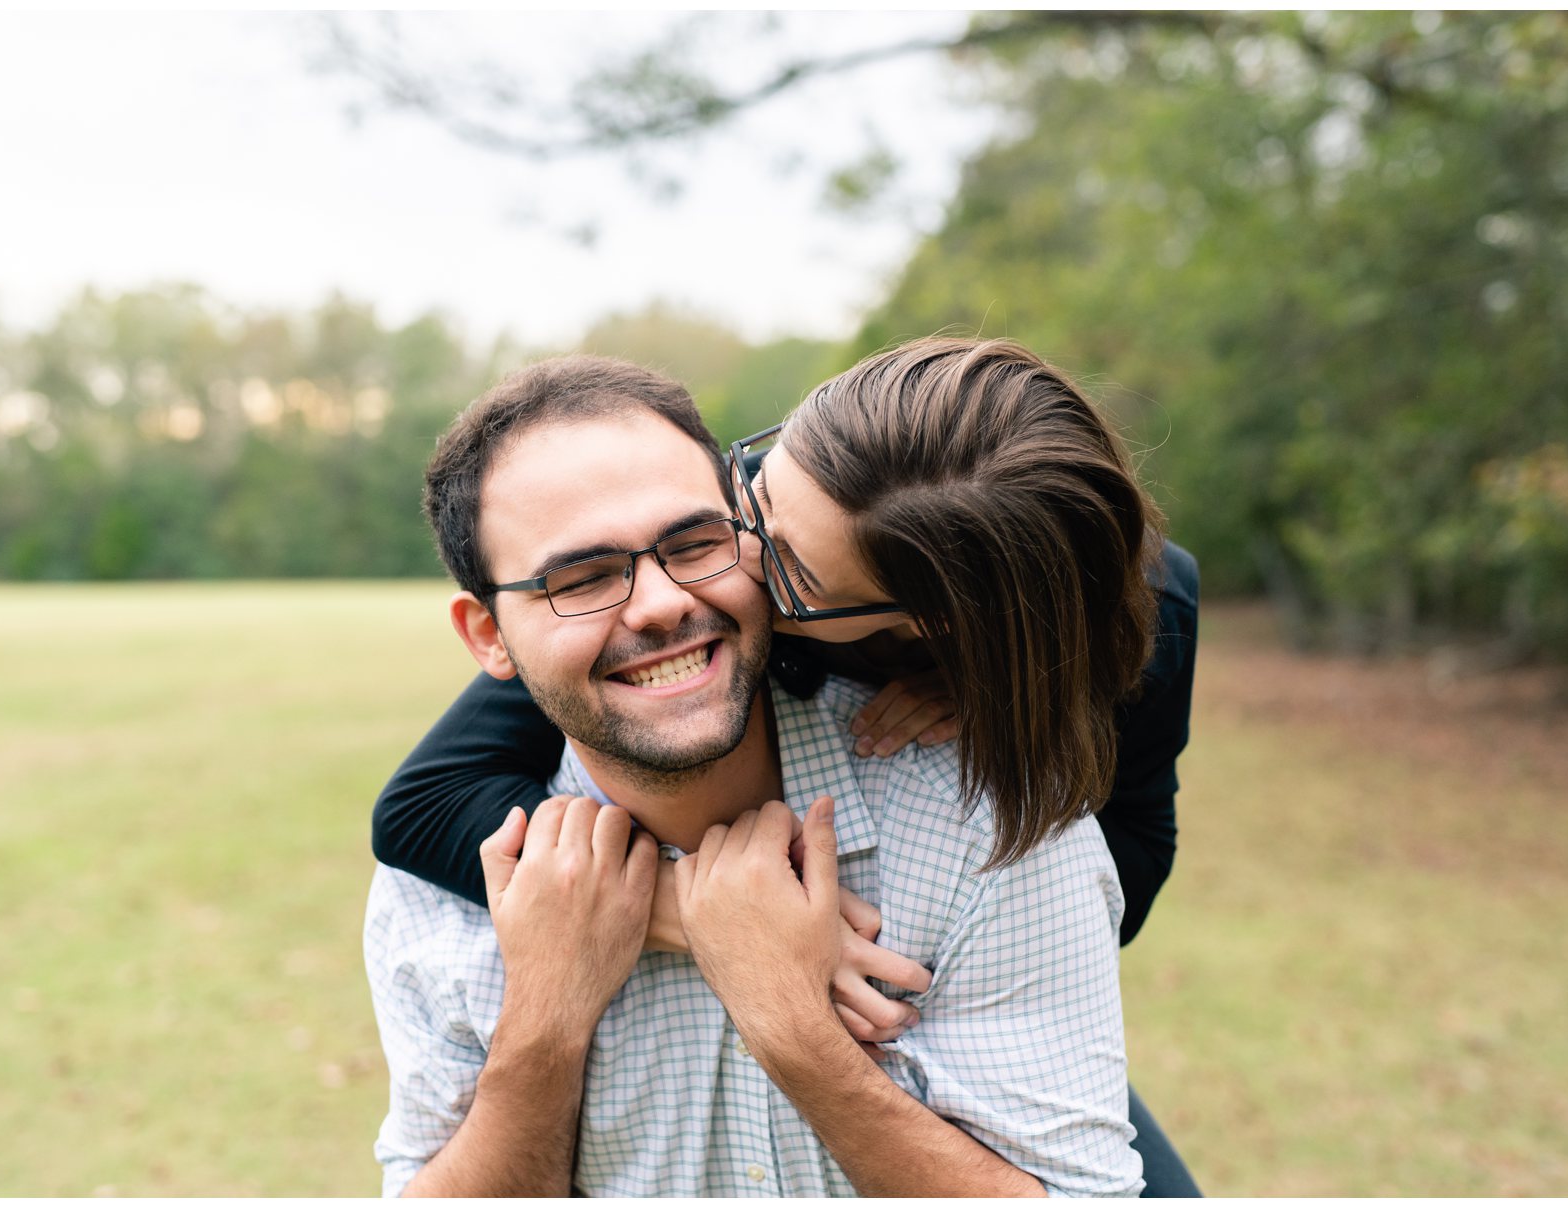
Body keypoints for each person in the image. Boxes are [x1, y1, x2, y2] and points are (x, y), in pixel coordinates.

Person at [373, 338, 1202, 1193]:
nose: (716, 576)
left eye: (700, 543)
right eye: (745, 504)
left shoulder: (1006, 807)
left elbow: (1123, 867)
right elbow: (419, 802)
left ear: (928, 628)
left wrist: (797, 1015)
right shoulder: (810, 493)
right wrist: (663, 914)